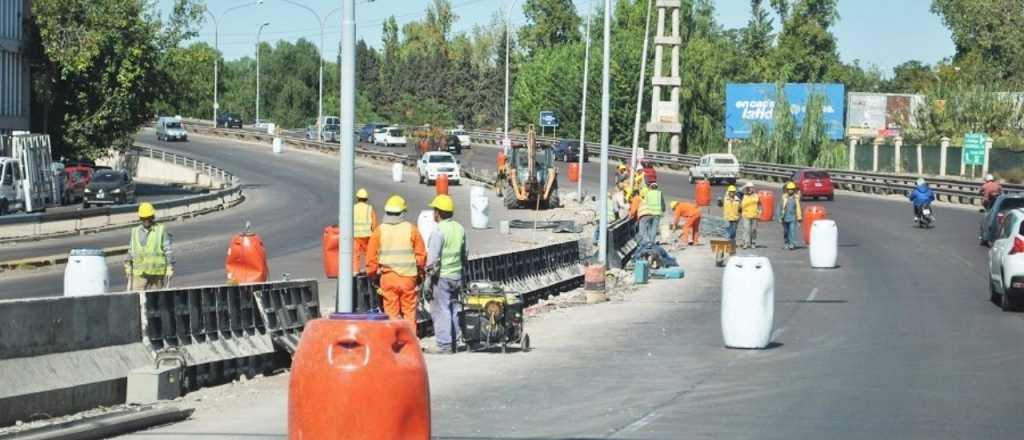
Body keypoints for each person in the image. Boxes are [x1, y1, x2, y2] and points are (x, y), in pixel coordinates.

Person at [367, 195, 427, 325]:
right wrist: (420, 275)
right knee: (409, 313)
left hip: (388, 278)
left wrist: (373, 276)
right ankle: (409, 342)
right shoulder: (412, 229)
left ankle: (393, 342)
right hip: (408, 278)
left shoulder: (379, 231)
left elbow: (371, 260)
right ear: (402, 212)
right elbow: (421, 256)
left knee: (391, 314)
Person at [424, 194, 468, 354]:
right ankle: (455, 342)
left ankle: (444, 345)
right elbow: (465, 253)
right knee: (455, 308)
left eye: (434, 210)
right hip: (456, 275)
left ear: (438, 212)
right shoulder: (459, 228)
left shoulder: (439, 231)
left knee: (441, 310)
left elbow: (433, 260)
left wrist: (428, 280)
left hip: (442, 277)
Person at [126, 202, 173, 291]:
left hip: (157, 274)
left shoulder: (161, 230)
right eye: (144, 218)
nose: (146, 220)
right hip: (140, 273)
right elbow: (131, 250)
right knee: (138, 299)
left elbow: (168, 250)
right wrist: (128, 265)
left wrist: (170, 266)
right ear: (140, 218)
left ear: (153, 217)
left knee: (157, 300)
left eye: (149, 217)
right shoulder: (135, 231)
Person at [352, 188, 378, 272]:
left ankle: (356, 271)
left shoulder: (353, 208)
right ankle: (368, 269)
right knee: (368, 253)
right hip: (367, 235)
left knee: (356, 253)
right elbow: (374, 223)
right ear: (366, 198)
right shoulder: (369, 208)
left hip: (356, 235)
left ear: (357, 198)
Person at [780, 181, 802, 250]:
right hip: (785, 218)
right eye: (789, 189)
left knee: (792, 231)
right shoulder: (784, 197)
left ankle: (791, 244)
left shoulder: (796, 198)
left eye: (792, 189)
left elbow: (798, 209)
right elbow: (780, 207)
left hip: (792, 218)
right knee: (786, 231)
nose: (790, 190)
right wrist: (779, 217)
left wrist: (799, 218)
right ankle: (786, 242)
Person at [739, 183, 761, 249]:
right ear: (747, 188)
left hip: (754, 215)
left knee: (754, 230)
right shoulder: (743, 195)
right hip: (746, 215)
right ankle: (746, 243)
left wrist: (760, 212)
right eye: (749, 187)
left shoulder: (756, 195)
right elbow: (738, 191)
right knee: (746, 229)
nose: (751, 189)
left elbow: (759, 204)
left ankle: (753, 242)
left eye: (752, 187)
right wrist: (744, 186)